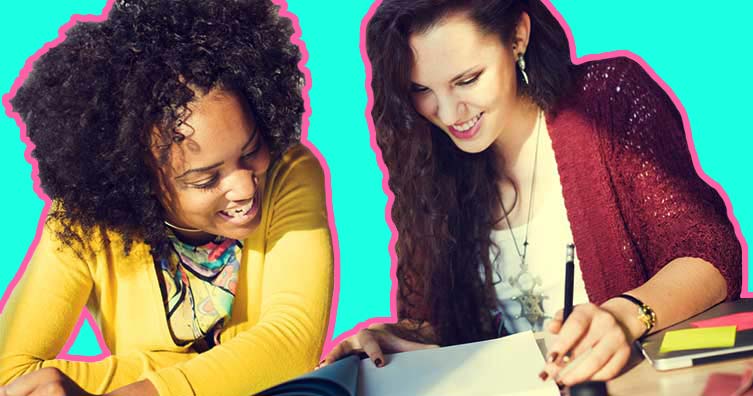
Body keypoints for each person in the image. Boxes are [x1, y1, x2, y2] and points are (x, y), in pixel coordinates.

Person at [321, 0, 742, 386]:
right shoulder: (429, 158)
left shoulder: (607, 101)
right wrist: (397, 341)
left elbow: (708, 252)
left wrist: (623, 316)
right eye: (421, 90)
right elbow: (445, 326)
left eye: (467, 80)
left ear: (517, 38)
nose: (448, 114)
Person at [0, 1, 334, 395]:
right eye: (206, 178)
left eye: (251, 150)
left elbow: (291, 347)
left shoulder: (288, 172)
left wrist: (139, 390)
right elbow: (12, 377)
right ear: (138, 182)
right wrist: (232, 369)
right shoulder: (85, 223)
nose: (245, 187)